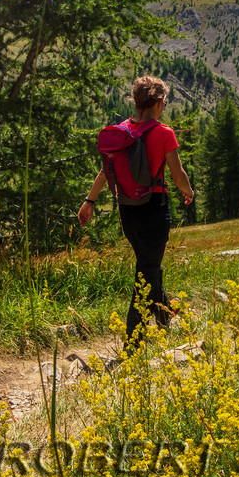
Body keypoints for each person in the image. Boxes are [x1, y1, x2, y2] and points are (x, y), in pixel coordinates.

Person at [77, 76, 195, 352]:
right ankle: (133, 346)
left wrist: (89, 201)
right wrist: (189, 192)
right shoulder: (164, 133)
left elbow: (105, 173)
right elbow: (178, 174)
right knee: (145, 274)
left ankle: (165, 315)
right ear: (158, 103)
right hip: (154, 211)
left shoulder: (122, 132)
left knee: (149, 265)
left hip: (128, 214)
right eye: (164, 101)